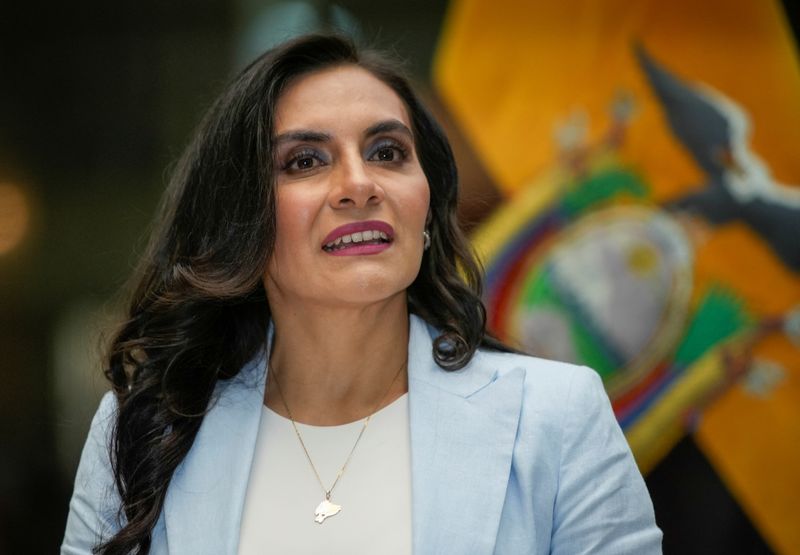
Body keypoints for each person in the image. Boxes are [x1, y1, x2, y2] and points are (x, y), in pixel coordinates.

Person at [61, 34, 662, 555]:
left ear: (426, 206)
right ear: (243, 218)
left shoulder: (557, 418)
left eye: (387, 152)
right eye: (304, 161)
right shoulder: (144, 428)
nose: (357, 184)